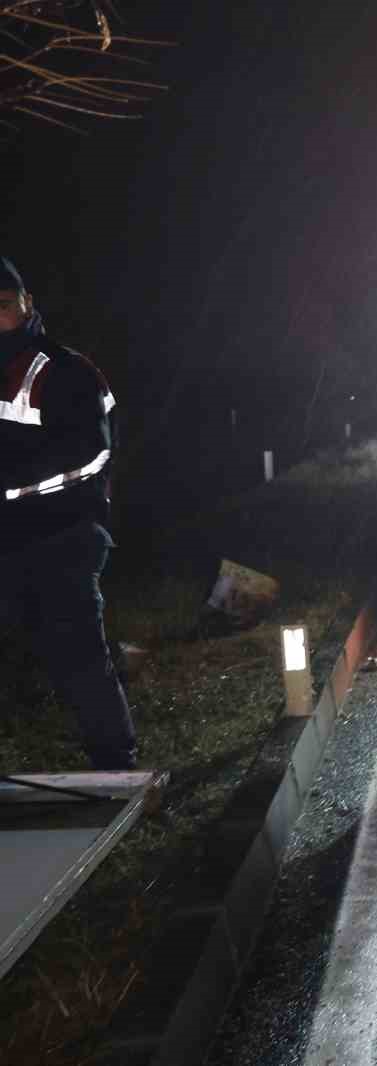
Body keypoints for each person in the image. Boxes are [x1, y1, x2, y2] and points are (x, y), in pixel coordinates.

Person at [0, 255, 136, 770]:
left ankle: (117, 771)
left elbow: (90, 455)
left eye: (4, 305)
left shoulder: (65, 370)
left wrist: (7, 485)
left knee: (77, 657)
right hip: (8, 542)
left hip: (63, 538)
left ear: (26, 305)